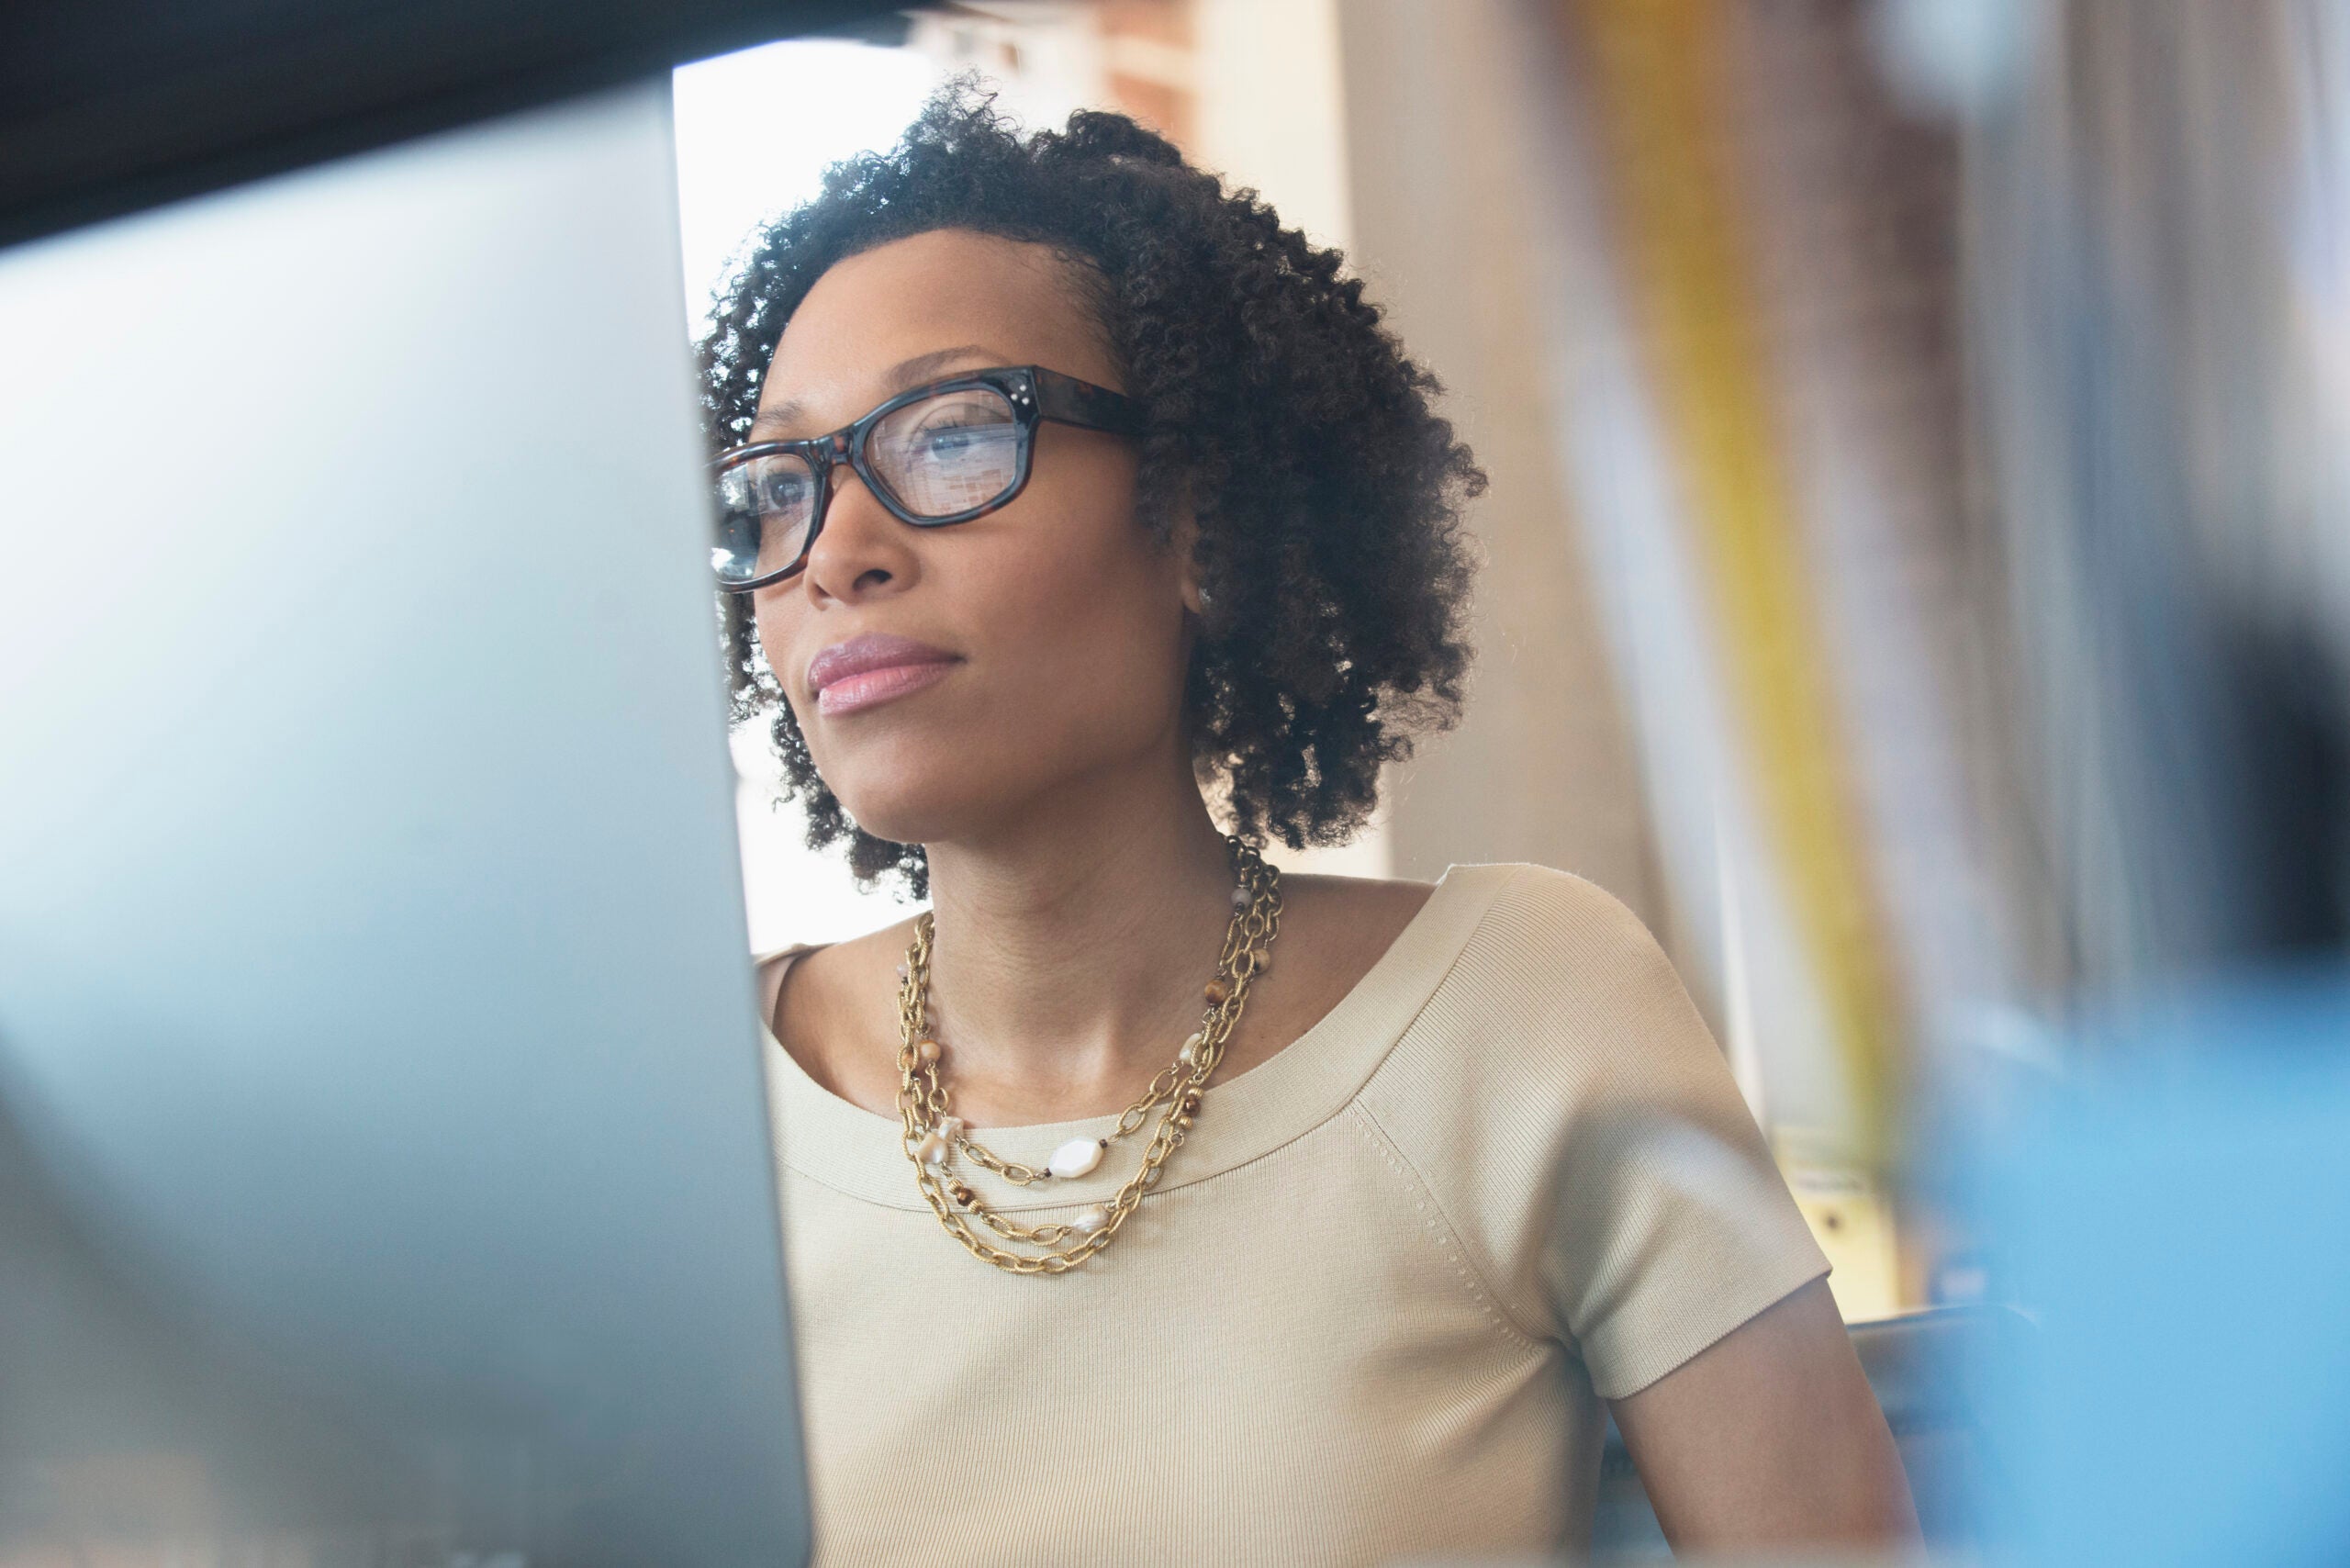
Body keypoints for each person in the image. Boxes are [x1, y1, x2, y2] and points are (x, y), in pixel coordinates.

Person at [701, 85, 1916, 1565]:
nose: (834, 552)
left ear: (1203, 522)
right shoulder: (695, 1110)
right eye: (777, 489)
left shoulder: (1524, 1010)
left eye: (952, 437)